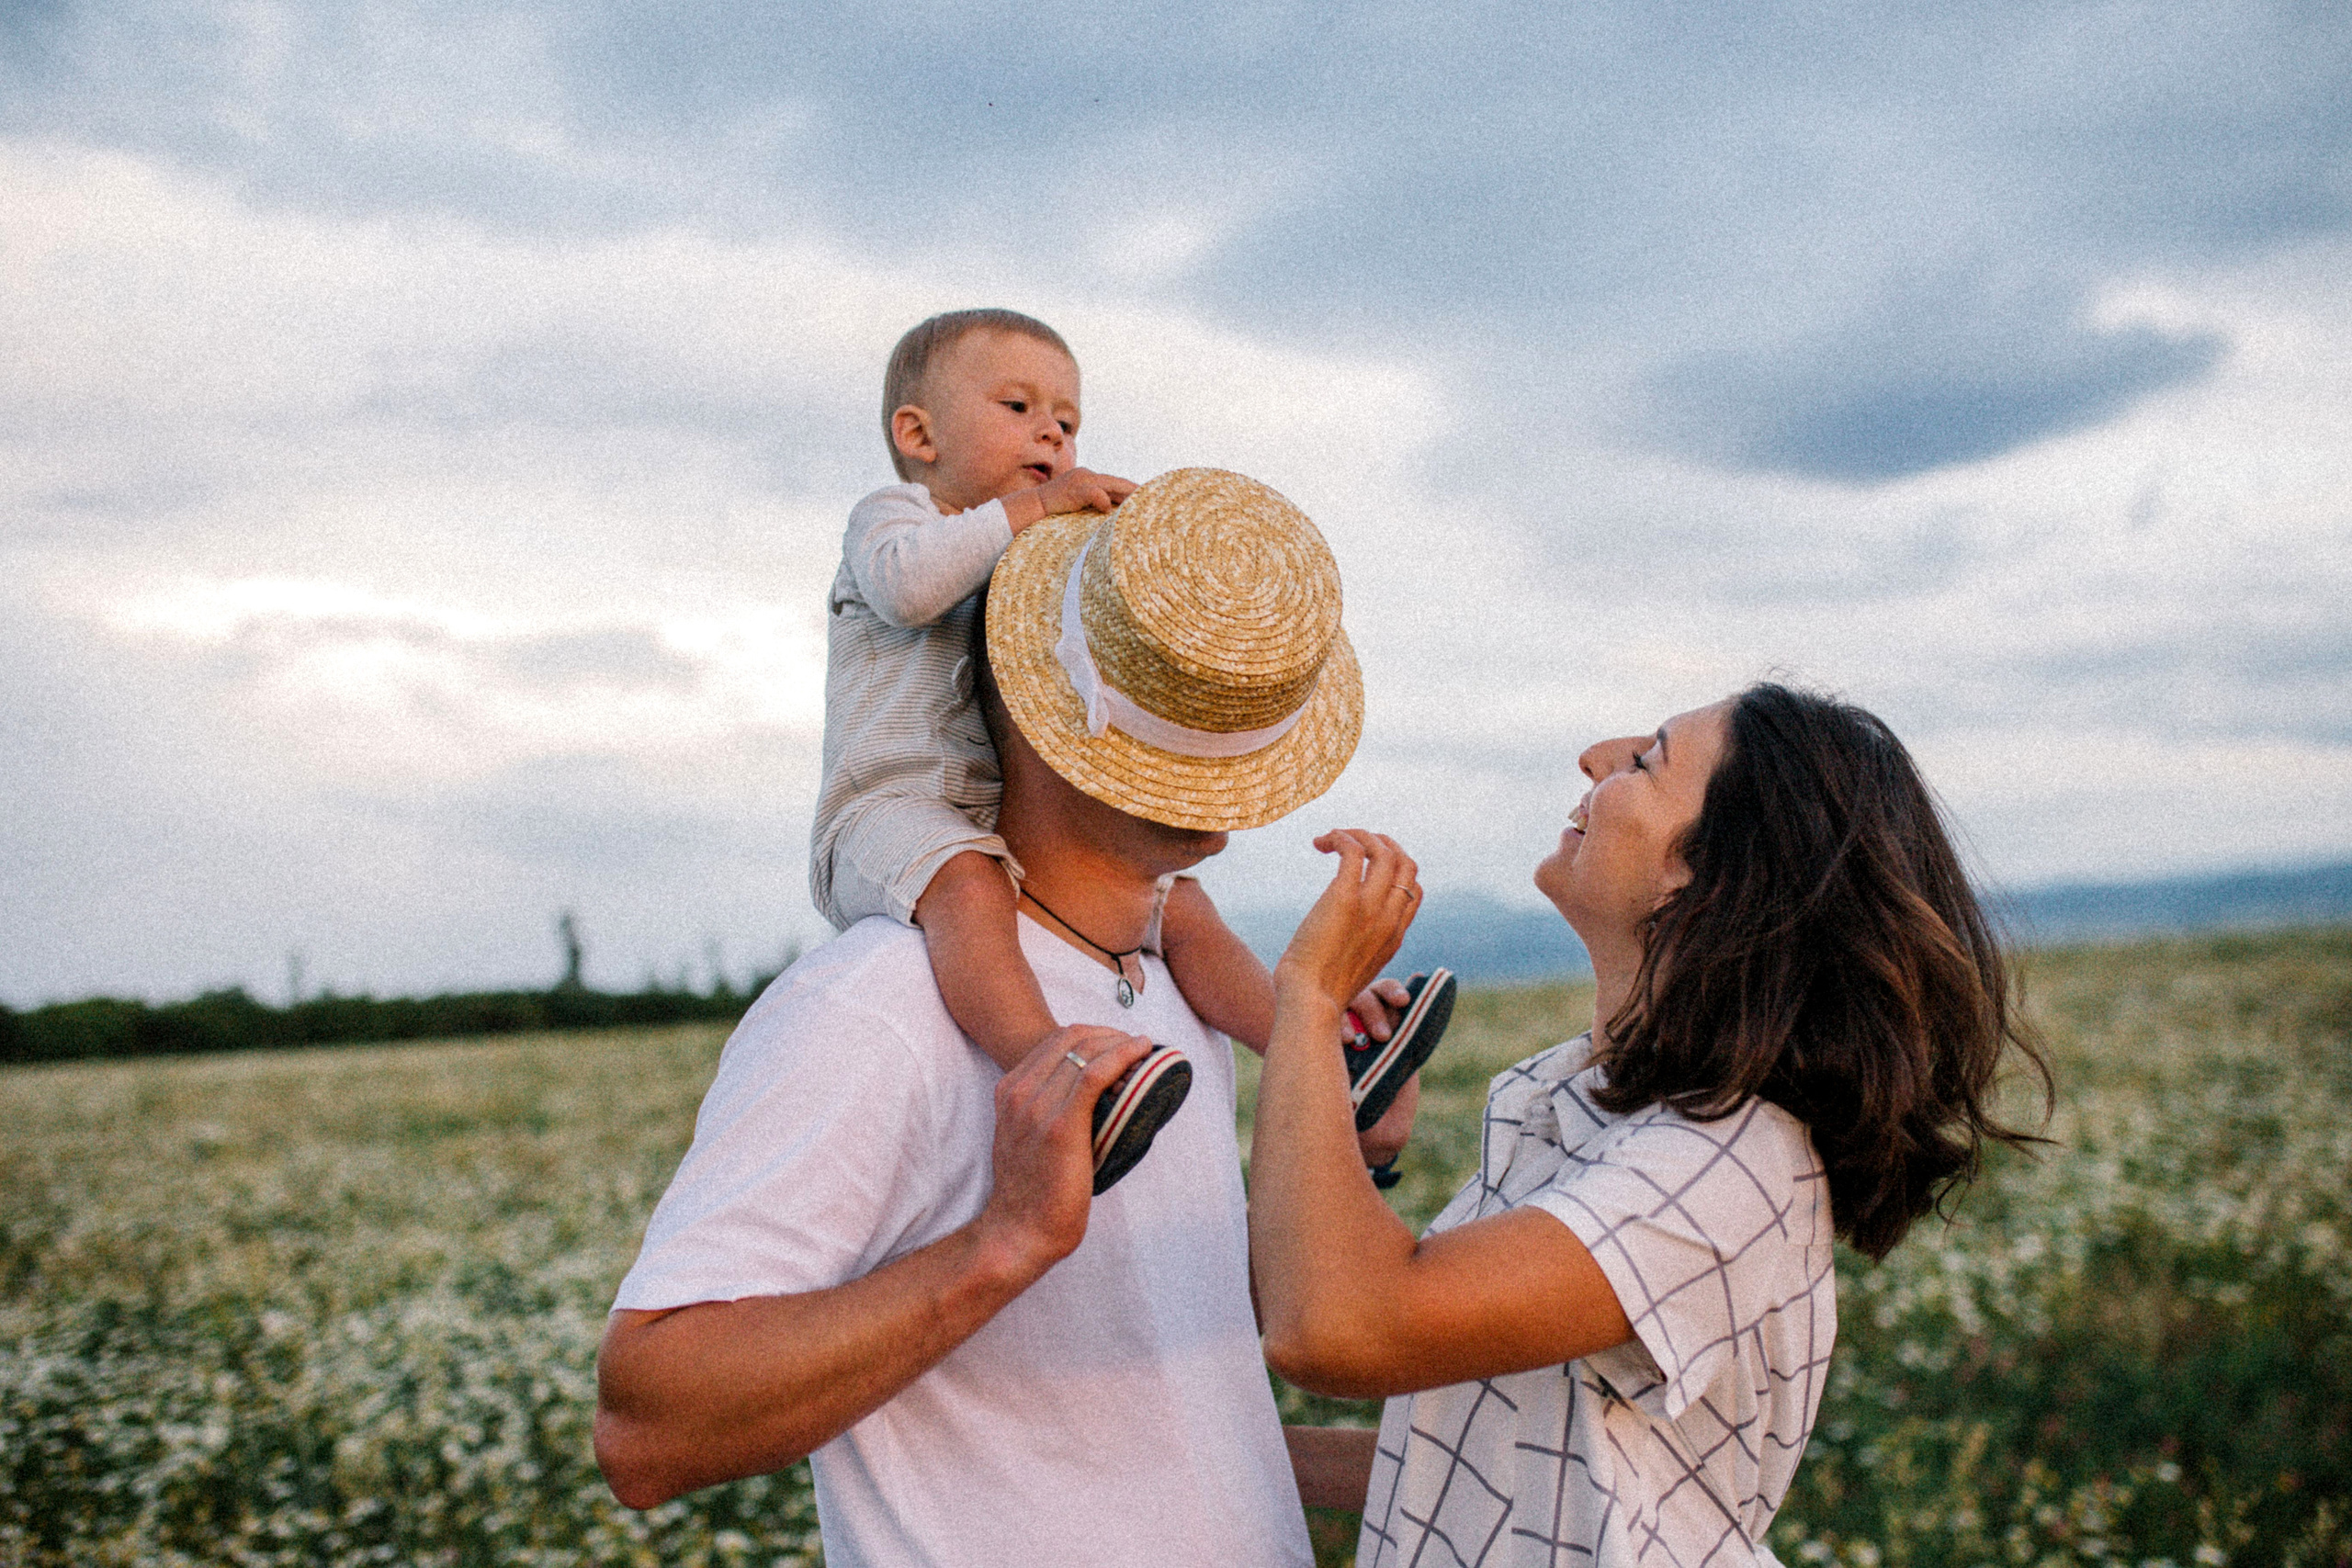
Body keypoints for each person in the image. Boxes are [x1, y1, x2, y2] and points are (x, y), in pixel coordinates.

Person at [596, 472, 1425, 1564]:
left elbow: (1157, 1383)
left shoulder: (1174, 991)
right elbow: (648, 1426)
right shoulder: (877, 1002)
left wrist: (1349, 1144)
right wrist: (1005, 1244)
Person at [1250, 683, 2051, 1568]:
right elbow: (1494, 1449)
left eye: (1647, 761)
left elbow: (1333, 1326)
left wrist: (1312, 994)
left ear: (1703, 875)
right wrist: (1209, 1460)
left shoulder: (1725, 1163)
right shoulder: (1585, 1106)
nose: (1598, 754)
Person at [814, 308, 1351, 1188]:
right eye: (1019, 407)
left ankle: (1317, 1045)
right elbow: (909, 589)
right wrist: (1026, 510)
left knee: (1177, 902)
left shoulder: (1021, 542)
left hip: (992, 819)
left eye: (1067, 422)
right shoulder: (897, 516)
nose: (1052, 434)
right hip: (887, 812)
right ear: (919, 434)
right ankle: (1060, 1074)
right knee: (966, 884)